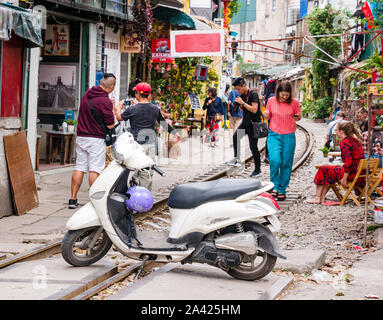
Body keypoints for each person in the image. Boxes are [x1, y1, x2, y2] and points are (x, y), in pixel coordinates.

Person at [115, 82, 180, 189]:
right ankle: (144, 194)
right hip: (150, 144)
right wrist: (175, 133)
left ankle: (134, 190)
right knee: (148, 170)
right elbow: (163, 123)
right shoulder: (155, 109)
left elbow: (119, 118)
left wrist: (118, 107)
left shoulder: (132, 109)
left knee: (136, 168)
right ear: (149, 95)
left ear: (137, 94)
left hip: (136, 145)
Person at [69, 73, 117, 209]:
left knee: (79, 167)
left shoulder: (86, 95)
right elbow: (110, 125)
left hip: (81, 136)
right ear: (111, 86)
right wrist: (113, 110)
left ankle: (72, 199)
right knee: (95, 169)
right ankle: (94, 201)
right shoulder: (105, 101)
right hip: (95, 139)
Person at [307, 121, 364, 205]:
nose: (335, 132)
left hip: (351, 175)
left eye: (336, 130)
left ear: (342, 131)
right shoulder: (355, 141)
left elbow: (348, 163)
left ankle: (317, 197)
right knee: (328, 170)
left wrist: (344, 179)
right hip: (360, 175)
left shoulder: (345, 142)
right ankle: (322, 198)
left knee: (323, 169)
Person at [262, 80, 301, 201]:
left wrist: (298, 117)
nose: (284, 97)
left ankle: (282, 189)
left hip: (289, 135)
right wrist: (265, 114)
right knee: (275, 160)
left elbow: (298, 117)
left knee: (286, 163)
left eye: (286, 95)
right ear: (278, 92)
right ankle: (275, 186)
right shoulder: (271, 101)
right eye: (282, 95)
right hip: (274, 134)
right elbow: (267, 116)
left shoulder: (294, 103)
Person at [226, 77, 262, 178]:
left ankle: (258, 169)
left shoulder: (253, 94)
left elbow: (254, 110)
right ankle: (237, 159)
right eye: (236, 89)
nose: (238, 91)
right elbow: (245, 110)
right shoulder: (243, 95)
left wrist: (243, 103)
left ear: (244, 86)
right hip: (245, 123)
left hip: (253, 124)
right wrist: (239, 106)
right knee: (235, 137)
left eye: (238, 89)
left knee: (253, 147)